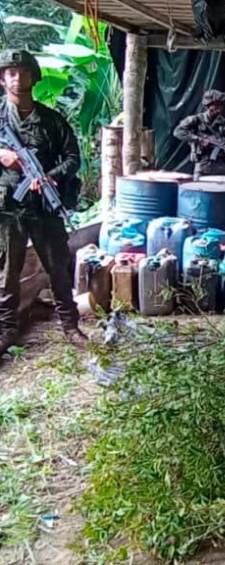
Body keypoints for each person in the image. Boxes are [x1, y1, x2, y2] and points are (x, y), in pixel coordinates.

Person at [0, 49, 87, 354]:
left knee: (58, 270)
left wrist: (50, 177)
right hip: (8, 209)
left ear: (33, 77)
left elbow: (74, 158)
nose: (17, 78)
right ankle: (7, 330)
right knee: (7, 274)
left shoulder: (51, 120)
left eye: (23, 72)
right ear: (2, 78)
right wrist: (2, 156)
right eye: (11, 72)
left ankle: (70, 326)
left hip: (45, 209)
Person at [173, 89, 225, 180]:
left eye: (221, 104)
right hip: (202, 165)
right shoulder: (196, 120)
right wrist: (198, 139)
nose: (219, 108)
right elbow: (177, 132)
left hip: (220, 167)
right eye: (216, 104)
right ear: (208, 105)